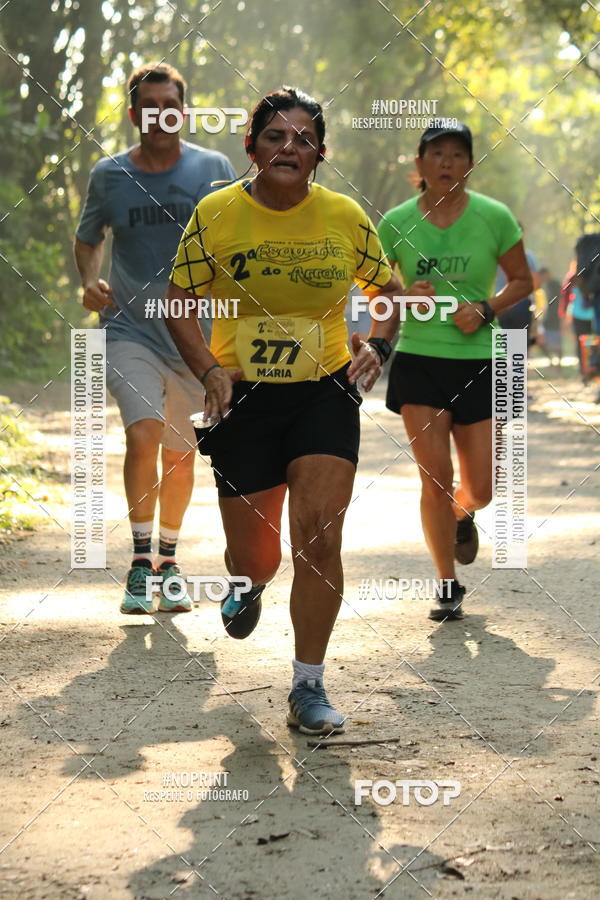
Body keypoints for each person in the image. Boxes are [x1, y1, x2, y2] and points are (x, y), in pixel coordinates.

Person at [165, 86, 402, 735]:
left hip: (323, 390)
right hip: (241, 399)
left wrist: (378, 346)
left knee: (320, 535)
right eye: (276, 135)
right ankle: (244, 584)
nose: (289, 146)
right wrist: (209, 370)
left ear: (320, 154)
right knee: (256, 556)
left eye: (304, 138)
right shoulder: (216, 214)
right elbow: (178, 299)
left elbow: (388, 290)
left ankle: (307, 685)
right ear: (252, 148)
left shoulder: (344, 216)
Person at [74, 63, 236, 614]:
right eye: (149, 106)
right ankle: (141, 562)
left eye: (170, 105)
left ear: (183, 112)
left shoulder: (215, 168)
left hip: (196, 337)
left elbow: (239, 239)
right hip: (129, 330)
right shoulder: (109, 175)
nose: (160, 115)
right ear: (134, 114)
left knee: (180, 456)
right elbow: (87, 239)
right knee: (142, 431)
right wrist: (88, 282)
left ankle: (170, 560)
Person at [378, 123, 533, 621]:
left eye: (457, 154)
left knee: (482, 487)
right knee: (434, 478)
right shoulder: (395, 223)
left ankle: (463, 516)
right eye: (437, 154)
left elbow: (523, 281)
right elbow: (374, 292)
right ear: (419, 164)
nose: (447, 162)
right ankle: (447, 582)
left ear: (469, 164)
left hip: (479, 361)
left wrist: (487, 307)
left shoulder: (494, 217)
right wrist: (402, 296)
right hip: (420, 360)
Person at [538, 267, 563, 367]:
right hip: (548, 318)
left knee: (557, 342)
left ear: (547, 274)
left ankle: (558, 364)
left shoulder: (554, 284)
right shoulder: (547, 285)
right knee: (543, 341)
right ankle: (552, 361)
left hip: (555, 317)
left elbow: (559, 300)